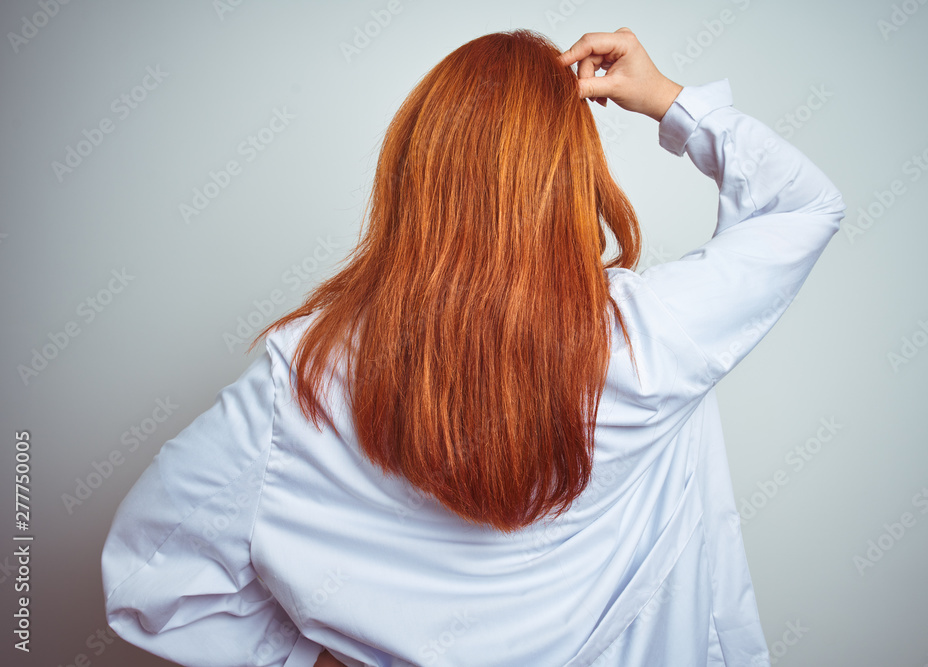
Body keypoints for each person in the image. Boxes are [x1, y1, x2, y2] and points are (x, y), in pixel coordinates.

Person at [101, 27, 845, 667]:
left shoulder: (305, 375)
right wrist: (663, 96)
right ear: (571, 177)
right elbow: (803, 204)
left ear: (411, 173)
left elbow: (154, 578)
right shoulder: (656, 335)